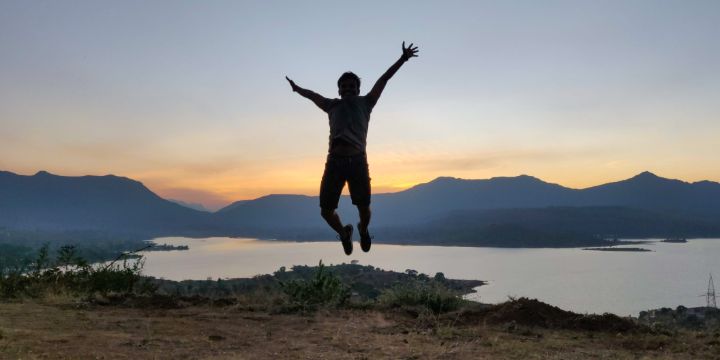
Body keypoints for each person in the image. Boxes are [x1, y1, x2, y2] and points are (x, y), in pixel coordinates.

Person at [286, 42, 419, 255]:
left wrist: (402, 59)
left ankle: (363, 229)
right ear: (339, 90)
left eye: (352, 86)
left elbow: (383, 79)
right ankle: (344, 232)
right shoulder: (332, 105)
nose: (348, 89)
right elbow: (313, 95)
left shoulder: (367, 102)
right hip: (334, 162)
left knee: (364, 207)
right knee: (326, 211)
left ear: (358, 89)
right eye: (344, 87)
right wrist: (297, 89)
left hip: (357, 161)